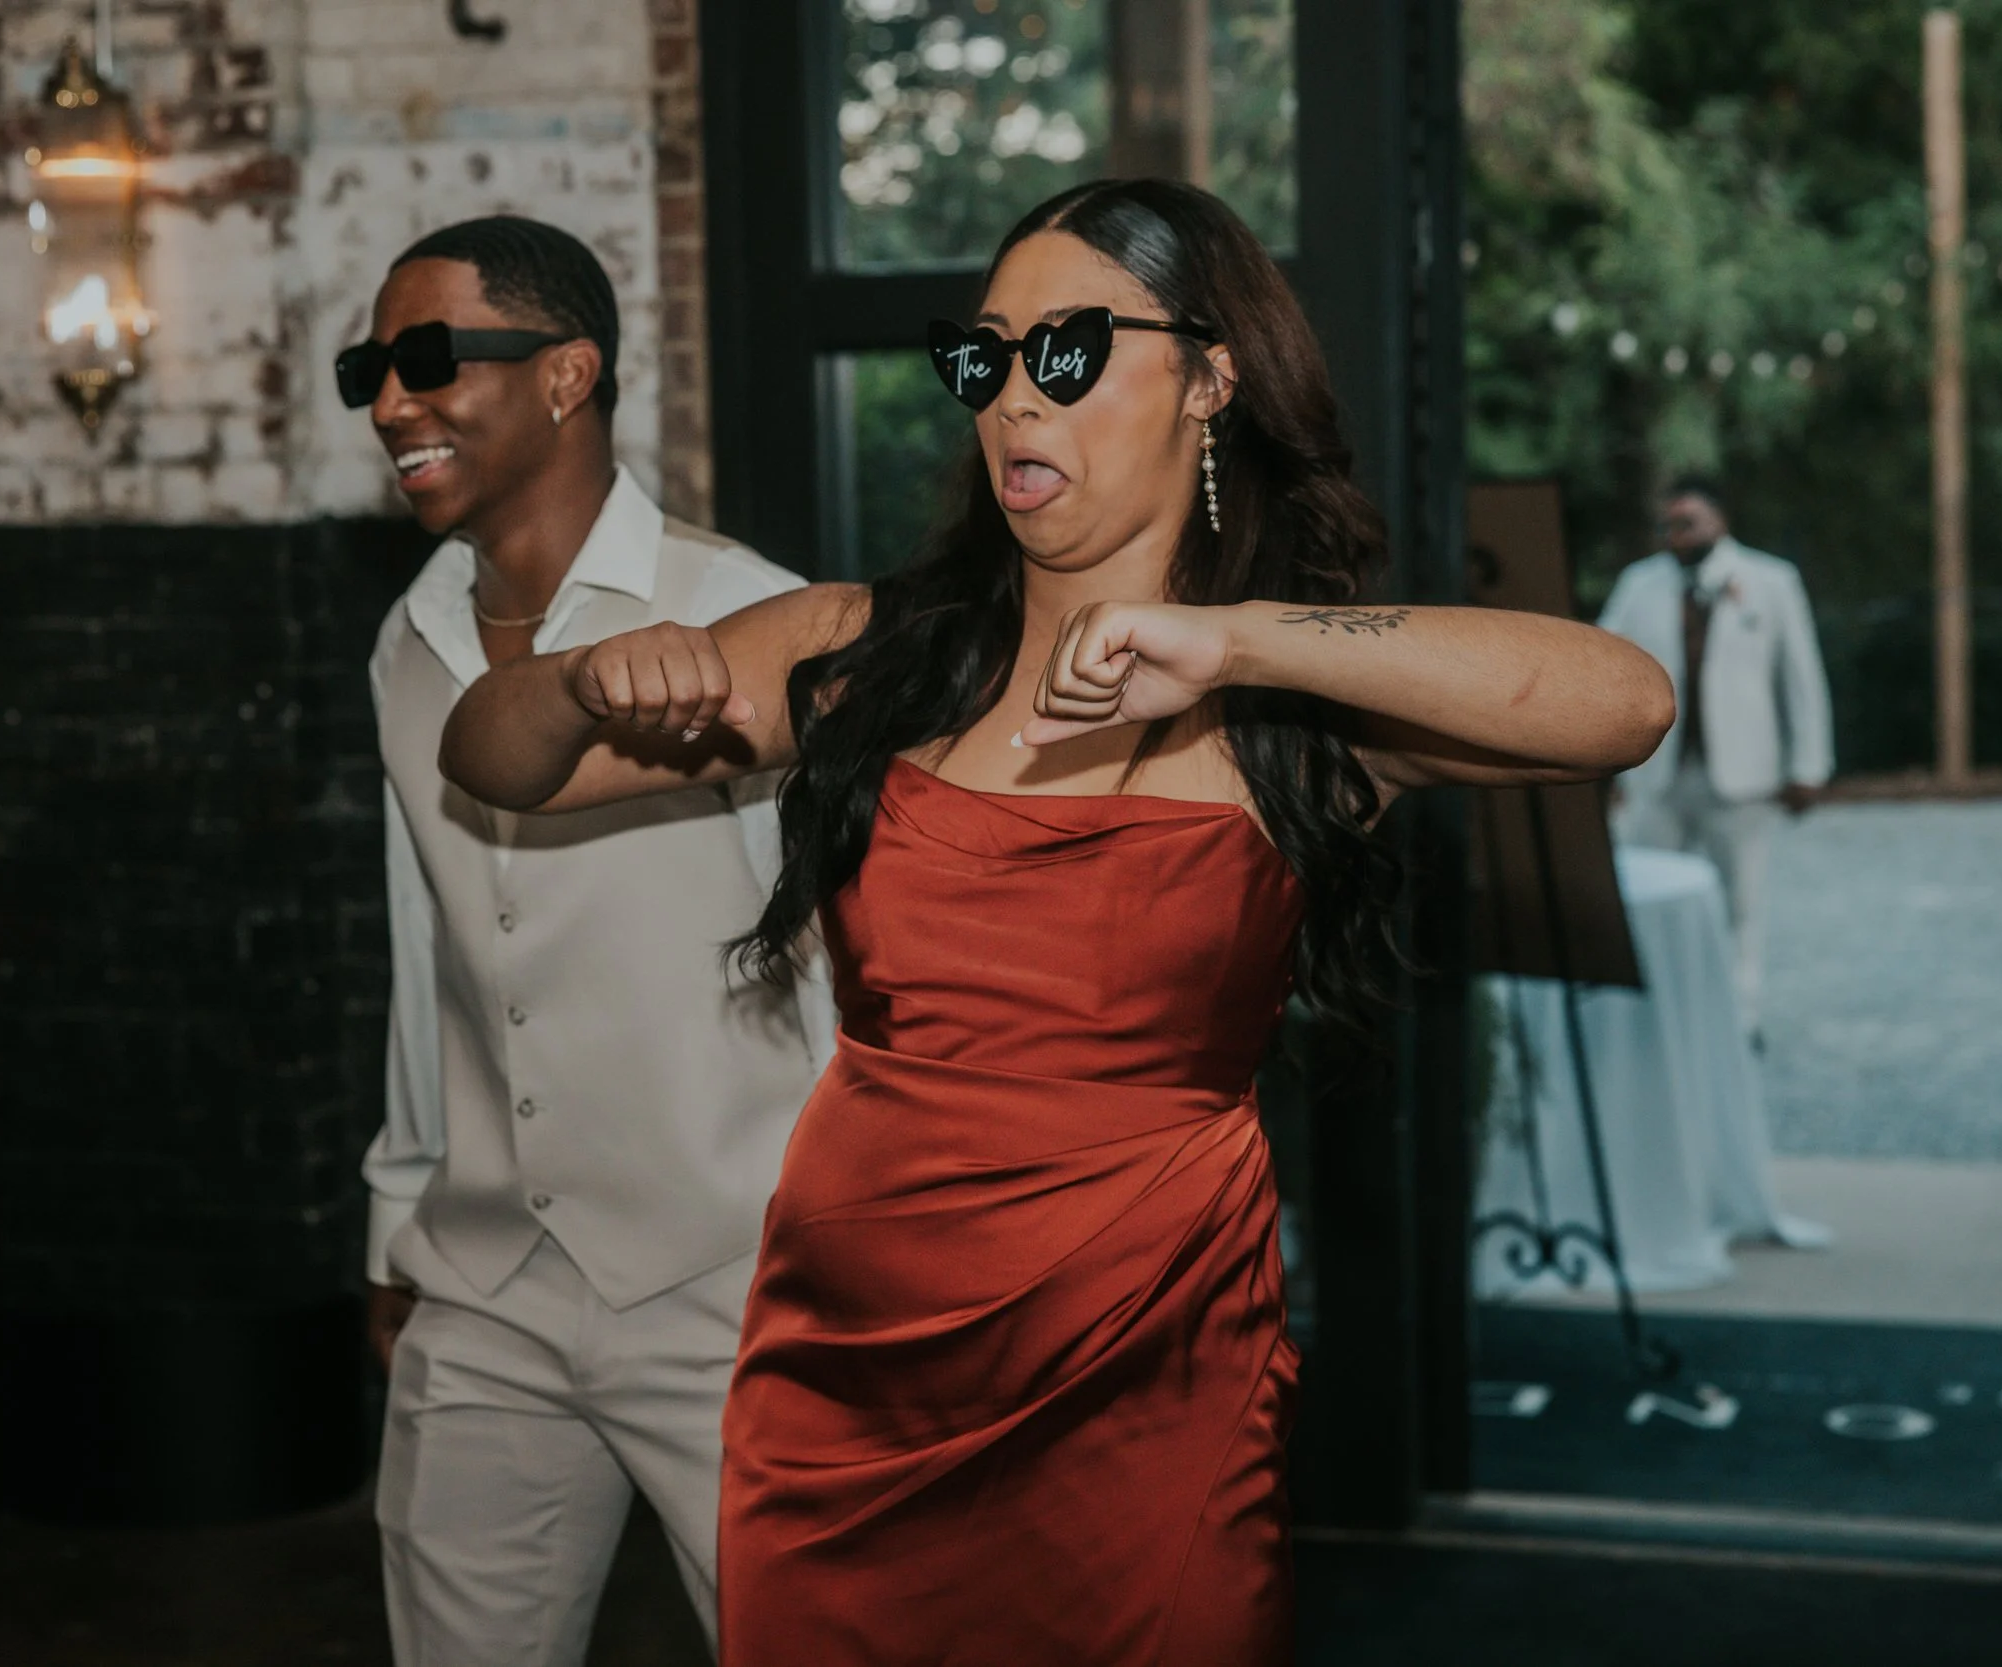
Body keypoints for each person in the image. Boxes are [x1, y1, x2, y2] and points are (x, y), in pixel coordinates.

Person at [438, 180, 1673, 1665]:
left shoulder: (1293, 712)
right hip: (851, 1390)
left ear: (1210, 377)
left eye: (1070, 351)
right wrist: (576, 679)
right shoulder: (865, 654)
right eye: (985, 358)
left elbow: (1625, 703)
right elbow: (489, 760)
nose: (1016, 397)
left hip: (1150, 1383)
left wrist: (1239, 640)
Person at [347, 215, 832, 1667]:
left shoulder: (742, 614)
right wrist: (398, 1214)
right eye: (370, 371)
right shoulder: (407, 642)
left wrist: (857, 1259)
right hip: (484, 1278)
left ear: (568, 375)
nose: (390, 403)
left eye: (429, 358)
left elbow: (841, 967)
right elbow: (429, 946)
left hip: (732, 1282)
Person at [1596, 477, 1834, 1040]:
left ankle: (1739, 1021)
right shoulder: (1640, 584)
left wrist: (1808, 767)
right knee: (1647, 896)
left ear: (1718, 521)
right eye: (1668, 525)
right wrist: (1604, 765)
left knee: (1741, 905)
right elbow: (1603, 665)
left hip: (1743, 778)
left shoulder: (1771, 581)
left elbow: (1801, 679)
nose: (1676, 536)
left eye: (1688, 523)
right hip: (1657, 773)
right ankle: (1656, 1016)